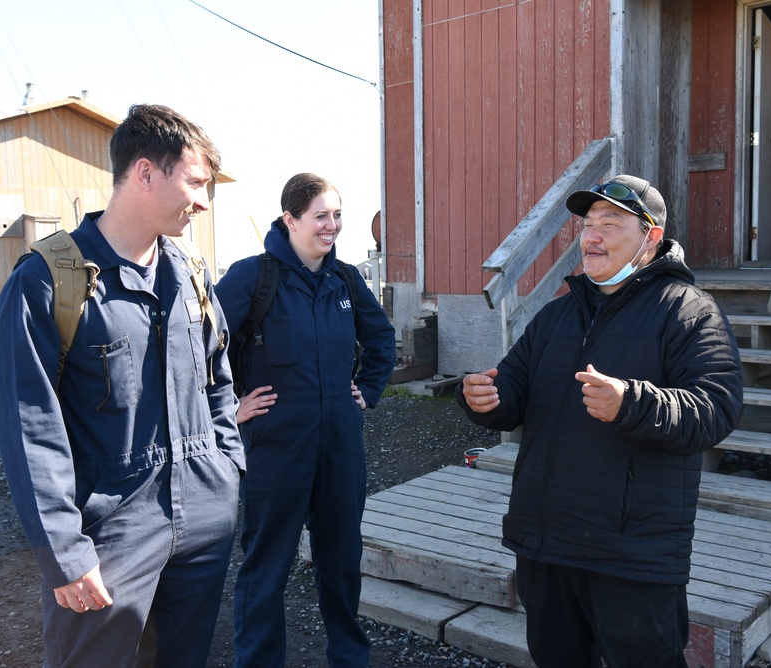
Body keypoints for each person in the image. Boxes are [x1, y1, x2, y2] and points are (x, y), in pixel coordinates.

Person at [0, 104, 244, 667]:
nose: (204, 202)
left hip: (204, 516)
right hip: (108, 528)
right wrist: (63, 548)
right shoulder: (47, 281)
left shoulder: (191, 275)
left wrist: (227, 468)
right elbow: (30, 427)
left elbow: (219, 380)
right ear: (146, 173)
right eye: (196, 183)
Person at [457, 175, 743, 667]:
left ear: (650, 237)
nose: (591, 237)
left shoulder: (690, 312)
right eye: (587, 225)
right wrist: (484, 398)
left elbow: (715, 410)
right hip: (546, 543)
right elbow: (515, 392)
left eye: (610, 224)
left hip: (632, 555)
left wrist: (631, 403)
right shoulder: (556, 315)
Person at [216, 173, 396, 668]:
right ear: (289, 220)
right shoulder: (252, 279)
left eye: (337, 215)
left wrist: (369, 389)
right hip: (277, 444)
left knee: (341, 562)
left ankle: (349, 657)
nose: (332, 225)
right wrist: (231, 407)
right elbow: (196, 349)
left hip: (340, 440)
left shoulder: (346, 280)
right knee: (266, 565)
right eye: (321, 215)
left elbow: (381, 339)